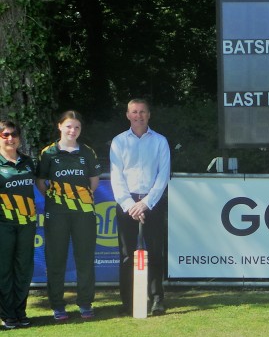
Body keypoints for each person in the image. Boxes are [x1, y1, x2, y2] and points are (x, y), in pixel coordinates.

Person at [36, 111, 101, 321]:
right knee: (56, 260)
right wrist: (57, 199)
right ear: (60, 126)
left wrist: (80, 200)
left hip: (84, 213)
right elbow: (40, 182)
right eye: (69, 126)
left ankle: (85, 303)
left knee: (85, 258)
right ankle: (57, 305)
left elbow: (94, 181)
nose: (73, 131)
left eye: (77, 127)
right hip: (57, 213)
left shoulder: (87, 152)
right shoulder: (48, 153)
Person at [110, 98, 170, 316]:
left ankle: (157, 300)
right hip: (127, 204)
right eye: (134, 112)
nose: (138, 116)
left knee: (155, 252)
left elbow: (163, 176)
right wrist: (130, 205)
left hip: (152, 202)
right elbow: (116, 178)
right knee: (127, 255)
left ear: (149, 114)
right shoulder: (118, 142)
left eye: (142, 112)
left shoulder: (160, 141)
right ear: (127, 115)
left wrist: (145, 204)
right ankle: (129, 302)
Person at [0, 121, 37, 329]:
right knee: (4, 271)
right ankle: (7, 314)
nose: (10, 138)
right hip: (3, 226)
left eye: (14, 135)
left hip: (27, 225)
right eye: (5, 135)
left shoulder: (28, 162)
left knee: (23, 270)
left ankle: (21, 311)